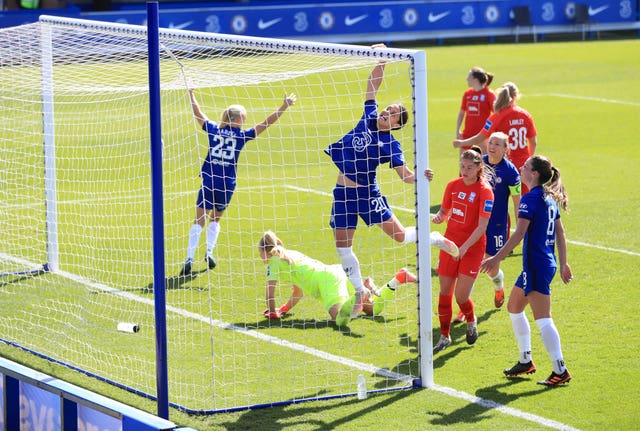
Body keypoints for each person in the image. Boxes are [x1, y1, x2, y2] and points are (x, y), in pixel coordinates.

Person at [324, 43, 458, 318]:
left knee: (398, 237)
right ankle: (360, 291)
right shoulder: (368, 118)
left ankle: (432, 238)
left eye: (393, 113)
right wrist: (381, 60)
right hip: (343, 194)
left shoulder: (391, 144)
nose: (386, 112)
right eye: (388, 109)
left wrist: (421, 176)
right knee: (342, 248)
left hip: (367, 195)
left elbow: (405, 175)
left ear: (397, 124)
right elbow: (372, 87)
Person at [179, 89, 296, 276]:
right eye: (245, 118)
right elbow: (265, 123)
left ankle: (189, 258)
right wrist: (284, 106)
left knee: (198, 220)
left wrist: (191, 94)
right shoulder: (241, 136)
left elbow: (198, 113)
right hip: (226, 184)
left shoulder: (213, 129)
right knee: (215, 219)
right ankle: (209, 252)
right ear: (239, 119)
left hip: (209, 181)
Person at [480, 155, 573, 387]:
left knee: (543, 319)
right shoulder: (548, 198)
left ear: (534, 174)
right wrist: (563, 264)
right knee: (514, 307)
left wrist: (495, 258)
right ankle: (526, 360)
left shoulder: (529, 199)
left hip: (536, 265)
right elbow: (560, 233)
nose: (521, 168)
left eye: (525, 167)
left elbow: (519, 233)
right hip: (543, 263)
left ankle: (560, 370)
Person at [257, 231, 417, 327]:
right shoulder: (287, 255)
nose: (260, 257)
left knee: (340, 319)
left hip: (327, 282)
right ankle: (398, 279)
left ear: (266, 251)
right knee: (374, 310)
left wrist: (272, 313)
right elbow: (298, 292)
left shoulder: (273, 262)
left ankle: (360, 293)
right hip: (335, 271)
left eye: (260, 253)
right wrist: (284, 309)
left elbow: (269, 292)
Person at [431, 149, 494, 353]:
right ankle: (444, 336)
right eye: (462, 166)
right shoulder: (452, 186)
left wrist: (464, 247)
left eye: (469, 167)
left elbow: (482, 226)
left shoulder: (485, 192)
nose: (464, 171)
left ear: (478, 168)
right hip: (450, 246)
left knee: (461, 296)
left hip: (472, 249)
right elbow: (444, 211)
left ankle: (471, 319)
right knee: (444, 292)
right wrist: (439, 217)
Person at [453, 134, 521, 323]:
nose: (492, 146)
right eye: (490, 142)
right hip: (475, 223)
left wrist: (520, 226)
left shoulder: (511, 173)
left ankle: (498, 286)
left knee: (491, 266)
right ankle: (464, 306)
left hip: (497, 225)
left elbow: (517, 202)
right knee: (471, 264)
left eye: (497, 144)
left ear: (505, 149)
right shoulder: (478, 163)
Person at [453, 82, 537, 194]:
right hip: (524, 166)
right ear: (516, 96)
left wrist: (462, 143)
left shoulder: (497, 116)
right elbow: (533, 142)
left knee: (498, 200)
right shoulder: (525, 115)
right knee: (525, 200)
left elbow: (480, 137)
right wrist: (529, 161)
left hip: (504, 165)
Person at [455, 67, 496, 154]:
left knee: (484, 164)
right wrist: (458, 130)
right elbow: (462, 113)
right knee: (464, 165)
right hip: (467, 135)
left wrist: (488, 130)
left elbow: (496, 114)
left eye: (469, 76)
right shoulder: (467, 93)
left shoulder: (489, 94)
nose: (467, 79)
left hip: (482, 136)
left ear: (475, 79)